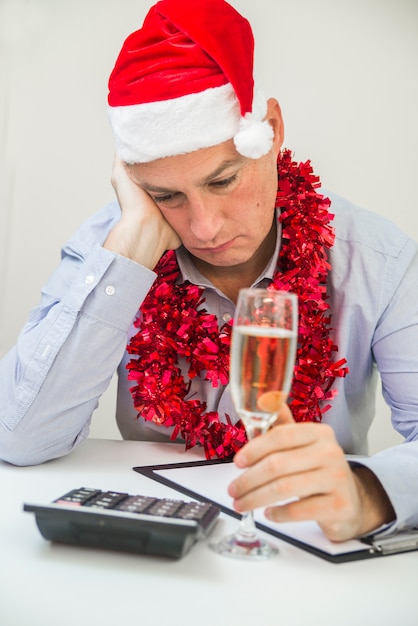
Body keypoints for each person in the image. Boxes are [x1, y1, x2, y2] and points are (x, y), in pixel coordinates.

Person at [0, 0, 417, 543]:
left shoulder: (376, 260)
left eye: (222, 181)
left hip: (306, 547)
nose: (203, 228)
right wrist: (127, 253)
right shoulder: (115, 247)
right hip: (161, 551)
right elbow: (20, 437)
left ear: (271, 131)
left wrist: (368, 494)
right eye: (166, 195)